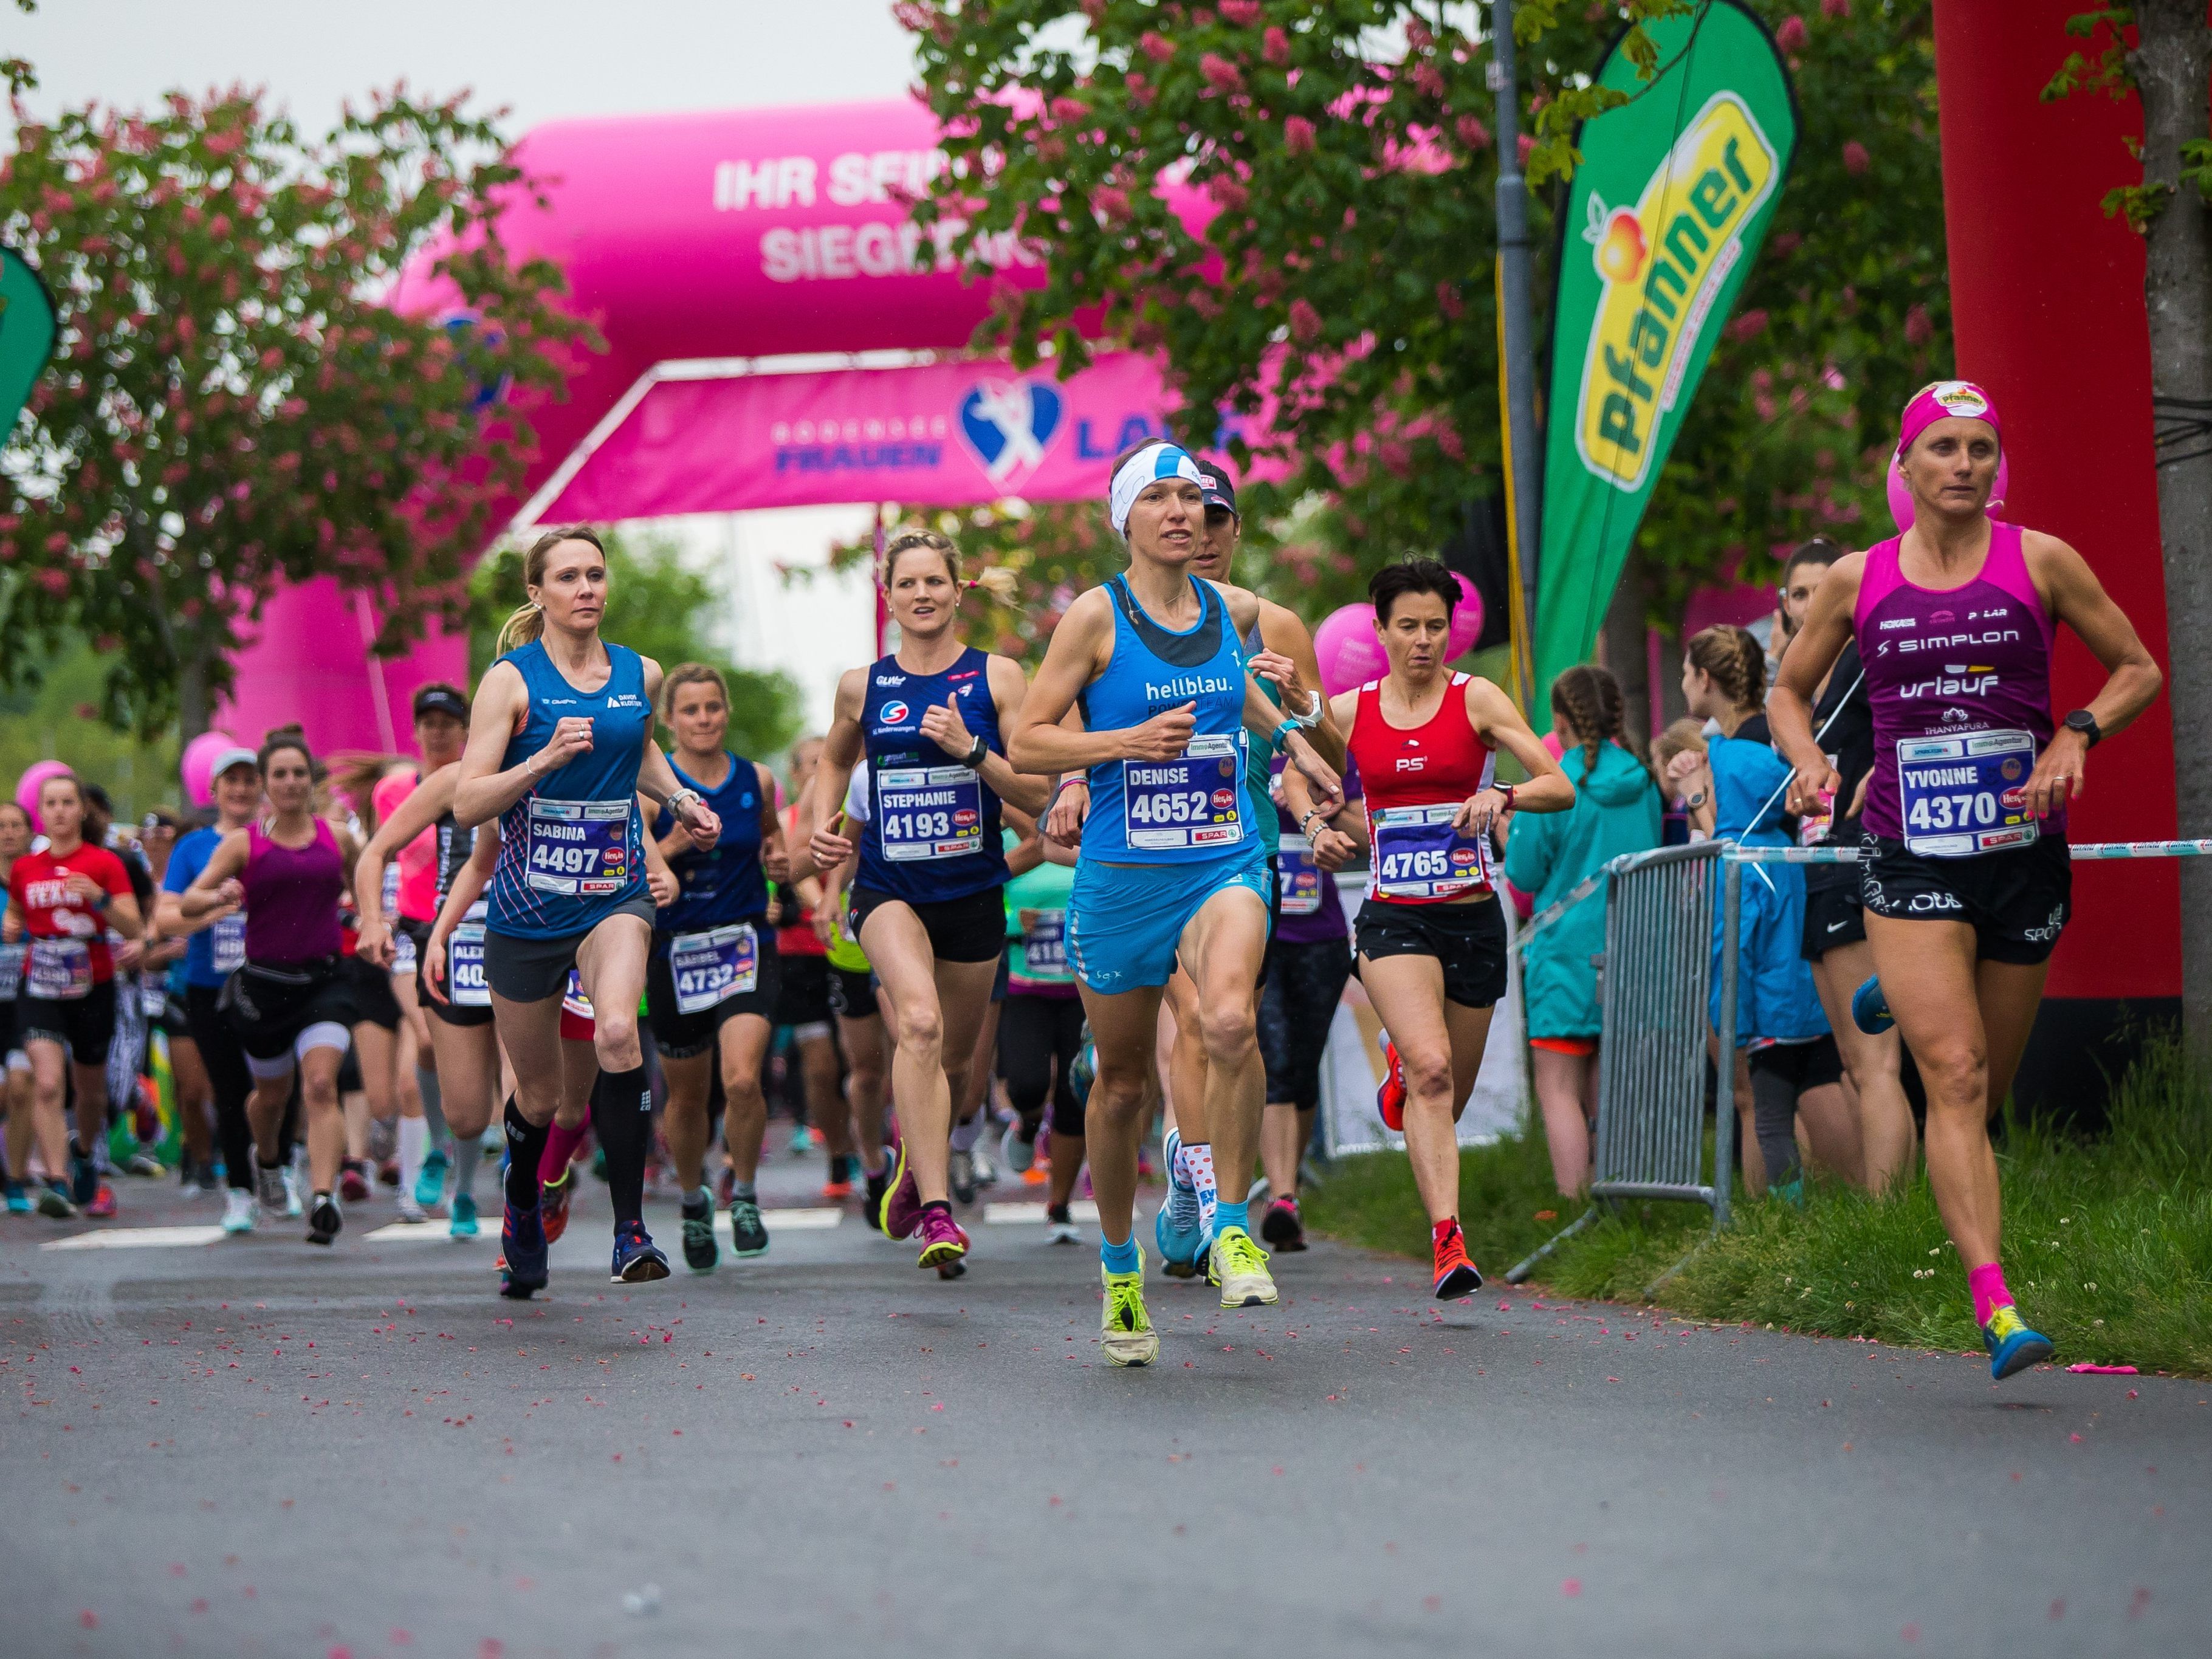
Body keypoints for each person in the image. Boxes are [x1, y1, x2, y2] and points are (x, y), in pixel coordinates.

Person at [1772, 379, 2162, 1378]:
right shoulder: (1859, 580)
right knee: (1955, 1073)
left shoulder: (2041, 561)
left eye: (1981, 449)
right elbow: (1787, 688)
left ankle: (1894, 990)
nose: (1964, 465)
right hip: (1909, 850)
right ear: (1905, 467)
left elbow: (2137, 668)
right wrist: (1809, 760)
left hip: (2021, 853)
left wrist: (2076, 733)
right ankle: (1996, 1303)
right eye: (1943, 447)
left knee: (1987, 1084)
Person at [1009, 439, 1342, 1364]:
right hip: (1122, 877)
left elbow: (1236, 695)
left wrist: (1300, 744)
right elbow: (1031, 741)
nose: (1180, 510)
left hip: (1221, 857)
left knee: (1231, 1020)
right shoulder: (1092, 617)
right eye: (1157, 495)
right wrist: (1120, 744)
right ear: (1125, 517)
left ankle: (1233, 1222)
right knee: (1120, 1085)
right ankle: (1121, 1270)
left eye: (1192, 495)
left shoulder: (1231, 611)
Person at [1286, 559, 1573, 1299]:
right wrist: (1315, 821)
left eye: (1435, 626)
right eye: (1407, 626)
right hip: (1393, 919)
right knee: (1434, 1072)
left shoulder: (1475, 698)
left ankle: (1402, 1075)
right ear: (1379, 629)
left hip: (1472, 917)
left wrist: (1500, 794)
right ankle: (1449, 1241)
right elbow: (1291, 768)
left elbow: (1557, 783)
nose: (1422, 640)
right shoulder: (1349, 711)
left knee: (1449, 1090)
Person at [452, 525, 722, 1295]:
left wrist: (679, 799)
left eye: (595, 575)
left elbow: (636, 752)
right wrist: (540, 760)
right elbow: (470, 801)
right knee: (538, 1097)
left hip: (615, 891)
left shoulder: (641, 671)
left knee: (614, 1031)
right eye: (567, 577)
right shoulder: (510, 680)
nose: (585, 589)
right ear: (537, 593)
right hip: (528, 906)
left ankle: (630, 1229)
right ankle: (520, 1203)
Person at [801, 527, 1048, 1274]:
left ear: (956, 588)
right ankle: (938, 1214)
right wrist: (821, 828)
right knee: (917, 1021)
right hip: (888, 890)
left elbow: (1039, 793)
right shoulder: (862, 685)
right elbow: (836, 759)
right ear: (889, 596)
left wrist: (972, 751)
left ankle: (918, 1163)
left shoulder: (998, 679)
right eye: (906, 584)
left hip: (973, 891)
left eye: (933, 582)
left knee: (960, 1072)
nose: (920, 595)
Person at [1135, 458, 1344, 1280]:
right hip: (1150, 850)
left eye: (1217, 516)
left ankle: (1213, 1199)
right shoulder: (1124, 620)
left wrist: (1301, 709)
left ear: (1236, 528)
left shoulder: (1275, 623)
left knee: (1224, 1023)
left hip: (1240, 849)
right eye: (1186, 512)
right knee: (1186, 1026)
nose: (1203, 531)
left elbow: (1327, 747)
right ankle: (1197, 1183)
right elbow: (1087, 724)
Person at [1671, 626, 1853, 1201]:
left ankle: (1782, 1216)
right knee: (1819, 1077)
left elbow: (1730, 847)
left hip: (1766, 933)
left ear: (1705, 678)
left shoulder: (1734, 757)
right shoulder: (1773, 744)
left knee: (1768, 1092)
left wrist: (1697, 795)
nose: (1681, 683)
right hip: (1798, 915)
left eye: (1684, 671)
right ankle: (1873, 1201)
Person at [176, 732, 362, 1245]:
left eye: (299, 772)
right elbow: (188, 903)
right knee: (270, 1098)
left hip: (325, 981)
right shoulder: (244, 844)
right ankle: (268, 1162)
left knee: (322, 1084)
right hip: (264, 988)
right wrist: (220, 893)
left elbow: (364, 877)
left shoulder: (336, 836)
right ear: (265, 784)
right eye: (278, 774)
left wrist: (374, 919)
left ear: (311, 779)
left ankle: (324, 1198)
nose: (290, 782)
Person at [1775, 541, 1918, 1194]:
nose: (1812, 605)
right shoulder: (1801, 681)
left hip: (1869, 857)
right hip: (1820, 868)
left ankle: (1890, 1227)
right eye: (1800, 594)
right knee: (1855, 1070)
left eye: (1821, 590)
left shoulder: (1869, 657)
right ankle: (1875, 1218)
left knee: (1877, 1063)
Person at [645, 662, 788, 1271]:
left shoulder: (755, 778)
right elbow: (635, 864)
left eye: (712, 708)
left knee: (741, 1079)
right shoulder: (650, 786)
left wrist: (779, 864)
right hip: (675, 950)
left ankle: (747, 1195)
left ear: (724, 712)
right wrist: (679, 840)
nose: (704, 719)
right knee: (687, 1099)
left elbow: (771, 840)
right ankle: (691, 1196)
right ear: (670, 720)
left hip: (743, 944)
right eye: (691, 710)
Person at [1502, 666, 1663, 1197]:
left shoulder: (1551, 785)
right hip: (1634, 950)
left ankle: (1578, 1214)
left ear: (1561, 721)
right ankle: (1625, 1201)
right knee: (1611, 1090)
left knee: (1559, 1090)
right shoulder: (1644, 780)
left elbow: (1523, 876)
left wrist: (1509, 831)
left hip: (1564, 956)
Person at [354, 758, 503, 1238]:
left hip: (526, 938)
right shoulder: (447, 784)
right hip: (441, 938)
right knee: (462, 1104)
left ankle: (529, 1181)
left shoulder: (553, 761)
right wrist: (372, 918)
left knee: (531, 1087)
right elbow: (375, 852)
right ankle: (444, 1150)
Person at [5, 773, 146, 1219]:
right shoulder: (27, 868)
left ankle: (84, 1152)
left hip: (92, 988)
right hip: (41, 985)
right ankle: (57, 1180)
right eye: (52, 803)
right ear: (41, 813)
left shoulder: (104, 862)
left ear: (82, 811)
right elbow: (15, 911)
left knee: (90, 1094)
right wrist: (12, 925)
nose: (61, 811)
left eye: (69, 802)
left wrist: (102, 900)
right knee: (46, 1082)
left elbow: (135, 929)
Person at [156, 750, 267, 1233]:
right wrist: (212, 915)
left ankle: (278, 1158)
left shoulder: (276, 840)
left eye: (249, 780)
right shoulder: (193, 847)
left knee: (277, 1086)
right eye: (232, 781)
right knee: (229, 1090)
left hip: (272, 982)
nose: (241, 790)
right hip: (209, 985)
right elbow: (163, 918)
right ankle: (240, 1190)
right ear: (214, 790)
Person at [1254, 756, 1360, 1249]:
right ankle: (1283, 1197)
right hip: (1258, 928)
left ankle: (1288, 1191)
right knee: (1272, 1060)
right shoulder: (1237, 735)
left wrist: (1323, 813)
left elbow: (1367, 827)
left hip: (1322, 934)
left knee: (1302, 1068)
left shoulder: (1328, 749)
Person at [769, 736, 855, 1203]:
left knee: (865, 1061)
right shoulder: (786, 823)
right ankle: (840, 1151)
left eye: (831, 759)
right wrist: (821, 905)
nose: (824, 769)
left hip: (860, 946)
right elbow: (785, 876)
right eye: (813, 763)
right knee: (821, 1067)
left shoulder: (859, 810)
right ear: (797, 773)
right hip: (802, 954)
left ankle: (874, 1138)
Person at [995, 820, 1086, 1243]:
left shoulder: (1097, 832)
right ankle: (1029, 1126)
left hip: (1083, 990)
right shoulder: (1014, 841)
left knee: (1075, 1097)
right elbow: (983, 906)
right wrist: (1016, 923)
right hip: (1027, 987)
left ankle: (1060, 1206)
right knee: (1027, 1084)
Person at [0, 800, 33, 1211]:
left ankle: (17, 1181)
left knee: (24, 1086)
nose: (7, 833)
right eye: (0, 826)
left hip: (27, 1002)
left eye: (14, 825)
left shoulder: (38, 880)